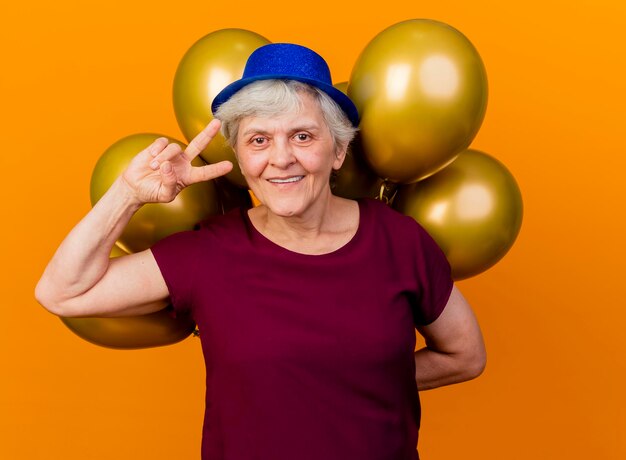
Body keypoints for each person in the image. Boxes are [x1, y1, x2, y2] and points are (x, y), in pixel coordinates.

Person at [36, 43, 486, 459]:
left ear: (338, 151)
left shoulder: (399, 241)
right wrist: (129, 194)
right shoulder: (208, 253)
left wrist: (354, 381)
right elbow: (62, 293)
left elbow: (464, 356)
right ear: (239, 156)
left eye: (303, 136)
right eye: (258, 140)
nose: (281, 158)